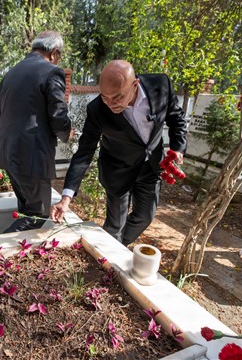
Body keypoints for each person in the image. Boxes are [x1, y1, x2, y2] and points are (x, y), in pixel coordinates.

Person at [51, 60, 187, 245]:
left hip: (151, 167)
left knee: (144, 217)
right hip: (117, 170)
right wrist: (67, 196)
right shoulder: (97, 110)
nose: (110, 103)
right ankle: (109, 254)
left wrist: (177, 148)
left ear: (135, 84)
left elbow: (176, 119)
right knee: (115, 226)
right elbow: (84, 152)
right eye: (105, 96)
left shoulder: (160, 86)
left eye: (117, 97)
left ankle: (115, 247)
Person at [0, 30, 72, 233]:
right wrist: (67, 133)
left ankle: (13, 255)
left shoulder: (11, 73)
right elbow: (58, 115)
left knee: (26, 209)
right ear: (54, 53)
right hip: (31, 157)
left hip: (8, 152)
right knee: (37, 215)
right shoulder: (52, 72)